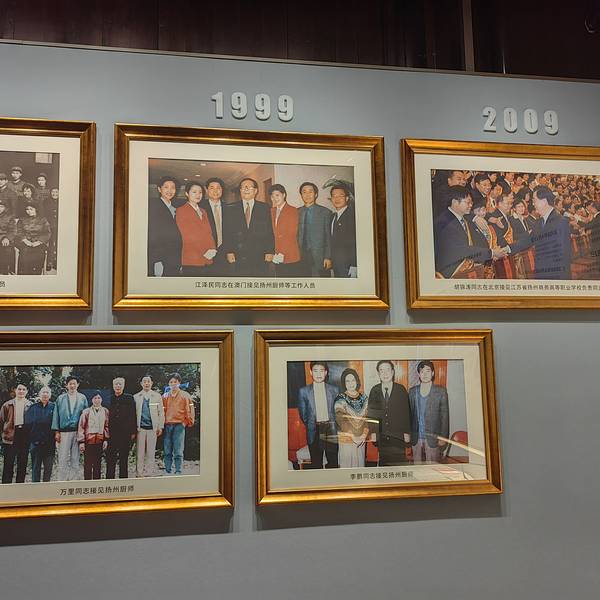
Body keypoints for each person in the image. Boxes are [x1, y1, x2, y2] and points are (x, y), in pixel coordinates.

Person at [434, 186, 505, 278]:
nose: (471, 205)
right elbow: (462, 250)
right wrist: (491, 253)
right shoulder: (445, 222)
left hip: (465, 266)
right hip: (451, 272)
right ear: (455, 202)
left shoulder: (462, 218)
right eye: (467, 202)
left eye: (471, 202)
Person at [366, 360, 411, 466]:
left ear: (393, 372)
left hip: (398, 436)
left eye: (388, 370)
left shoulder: (401, 390)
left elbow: (406, 412)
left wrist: (407, 432)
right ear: (378, 374)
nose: (385, 374)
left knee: (399, 465)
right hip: (382, 437)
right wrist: (373, 431)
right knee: (384, 465)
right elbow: (372, 414)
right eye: (381, 371)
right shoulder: (375, 390)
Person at [296, 361, 339, 469]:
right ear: (311, 372)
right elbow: (303, 415)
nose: (318, 374)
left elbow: (337, 412)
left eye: (321, 371)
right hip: (314, 431)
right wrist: (312, 424)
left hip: (330, 429)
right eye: (315, 371)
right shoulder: (304, 391)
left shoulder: (334, 390)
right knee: (316, 463)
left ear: (326, 372)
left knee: (333, 462)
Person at [232, 178, 274, 276]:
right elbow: (227, 231)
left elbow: (269, 231)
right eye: (243, 187)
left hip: (259, 254)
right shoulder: (231, 208)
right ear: (240, 190)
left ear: (255, 191)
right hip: (238, 255)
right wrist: (229, 251)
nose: (246, 189)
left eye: (249, 187)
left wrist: (269, 251)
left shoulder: (265, 208)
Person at [409, 361, 449, 464]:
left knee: (432, 466)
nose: (425, 374)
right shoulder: (412, 391)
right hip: (416, 436)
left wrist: (443, 437)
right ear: (419, 374)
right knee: (417, 465)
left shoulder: (441, 391)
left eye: (428, 371)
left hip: (432, 437)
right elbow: (409, 414)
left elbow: (444, 416)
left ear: (433, 373)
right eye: (422, 372)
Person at [175, 181, 217, 276]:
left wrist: (212, 249)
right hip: (192, 258)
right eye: (194, 192)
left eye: (200, 192)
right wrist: (205, 251)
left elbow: (209, 232)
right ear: (187, 193)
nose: (198, 195)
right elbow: (186, 236)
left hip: (208, 256)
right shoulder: (181, 210)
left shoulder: (203, 211)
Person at [530, 185, 572, 280]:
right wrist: (508, 249)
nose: (533, 204)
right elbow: (528, 240)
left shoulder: (561, 221)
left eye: (534, 200)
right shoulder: (538, 222)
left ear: (544, 201)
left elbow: (564, 255)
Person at [199, 177, 238, 276]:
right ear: (206, 190)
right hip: (205, 253)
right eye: (212, 188)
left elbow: (232, 232)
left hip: (225, 252)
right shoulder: (200, 207)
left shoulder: (230, 209)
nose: (215, 191)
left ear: (222, 190)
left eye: (218, 188)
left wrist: (230, 251)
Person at [52, 375, 88, 481]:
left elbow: (86, 416)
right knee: (62, 457)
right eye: (70, 383)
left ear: (78, 385)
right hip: (64, 432)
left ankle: (73, 480)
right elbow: (56, 415)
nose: (72, 386)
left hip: (78, 432)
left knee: (75, 458)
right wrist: (56, 431)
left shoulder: (82, 398)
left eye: (74, 383)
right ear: (66, 385)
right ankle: (61, 481)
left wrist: (84, 434)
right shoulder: (60, 398)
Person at [147, 175, 182, 276]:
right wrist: (157, 260)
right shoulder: (152, 205)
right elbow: (153, 234)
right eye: (166, 187)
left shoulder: (176, 208)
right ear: (159, 189)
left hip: (174, 256)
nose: (170, 190)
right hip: (160, 257)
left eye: (173, 188)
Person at [334, 368, 369, 468]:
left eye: (353, 380)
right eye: (347, 381)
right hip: (346, 438)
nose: (351, 383)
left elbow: (368, 418)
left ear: (357, 381)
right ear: (344, 383)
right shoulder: (340, 398)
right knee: (347, 467)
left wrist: (364, 435)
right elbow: (341, 419)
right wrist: (352, 436)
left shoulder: (364, 398)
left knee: (359, 466)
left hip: (361, 439)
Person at [296, 182, 332, 276]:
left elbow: (329, 236)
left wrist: (328, 257)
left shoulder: (325, 212)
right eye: (304, 192)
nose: (307, 195)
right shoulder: (296, 212)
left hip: (320, 255)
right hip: (301, 255)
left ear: (316, 194)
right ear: (301, 195)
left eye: (310, 192)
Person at [162, 373, 194, 475]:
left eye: (175, 382)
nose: (173, 384)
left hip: (179, 425)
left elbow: (190, 409)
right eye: (171, 382)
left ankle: (178, 470)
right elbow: (161, 411)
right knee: (167, 450)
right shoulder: (165, 396)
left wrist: (187, 422)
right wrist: (161, 424)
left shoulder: (185, 395)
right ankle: (167, 470)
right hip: (167, 425)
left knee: (178, 450)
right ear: (168, 383)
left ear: (179, 383)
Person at [0, 383, 32, 483]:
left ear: (26, 391)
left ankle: (20, 486)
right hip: (10, 435)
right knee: (8, 463)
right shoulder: (7, 404)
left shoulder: (30, 405)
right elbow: (1, 421)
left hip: (24, 435)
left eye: (23, 389)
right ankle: (6, 486)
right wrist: (4, 434)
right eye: (19, 389)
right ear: (15, 390)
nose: (21, 391)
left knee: (22, 462)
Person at [134, 375, 165, 477]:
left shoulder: (157, 396)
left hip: (153, 429)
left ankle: (149, 473)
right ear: (141, 384)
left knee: (151, 452)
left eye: (148, 381)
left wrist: (160, 426)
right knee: (140, 453)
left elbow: (161, 412)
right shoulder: (136, 397)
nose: (146, 383)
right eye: (144, 381)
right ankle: (139, 473)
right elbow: (133, 414)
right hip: (140, 429)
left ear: (151, 383)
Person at [105, 377, 136, 479]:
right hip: (112, 433)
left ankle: (123, 479)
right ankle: (109, 479)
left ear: (123, 385)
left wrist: (133, 431)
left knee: (124, 458)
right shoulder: (109, 398)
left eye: (120, 384)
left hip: (125, 433)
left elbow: (133, 415)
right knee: (110, 457)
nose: (118, 386)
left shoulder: (129, 398)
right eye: (116, 384)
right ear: (113, 386)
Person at [269, 183, 301, 277]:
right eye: (272, 196)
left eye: (277, 195)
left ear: (284, 195)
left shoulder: (293, 210)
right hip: (276, 254)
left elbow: (291, 234)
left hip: (289, 253)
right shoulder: (271, 211)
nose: (275, 198)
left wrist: (281, 253)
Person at [25, 385, 55, 482]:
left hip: (49, 444)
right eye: (43, 392)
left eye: (47, 392)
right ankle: (35, 488)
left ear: (50, 395)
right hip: (36, 444)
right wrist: (32, 439)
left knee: (48, 469)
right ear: (39, 394)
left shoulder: (54, 407)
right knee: (35, 468)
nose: (45, 394)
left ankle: (46, 488)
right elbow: (27, 425)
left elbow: (57, 424)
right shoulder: (33, 408)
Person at [78, 390, 109, 480]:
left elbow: (106, 426)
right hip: (89, 442)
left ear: (101, 399)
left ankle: (96, 483)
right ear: (92, 400)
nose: (97, 400)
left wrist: (106, 439)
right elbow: (81, 426)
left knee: (97, 465)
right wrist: (81, 442)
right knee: (88, 465)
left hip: (99, 441)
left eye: (99, 398)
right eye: (95, 398)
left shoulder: (105, 411)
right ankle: (87, 483)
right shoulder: (86, 412)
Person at [15, 200, 51, 274]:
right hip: (24, 242)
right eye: (27, 209)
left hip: (39, 242)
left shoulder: (43, 220)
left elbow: (47, 233)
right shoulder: (22, 220)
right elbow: (19, 232)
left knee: (39, 253)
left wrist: (39, 242)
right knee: (25, 252)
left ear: (36, 209)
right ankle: (24, 274)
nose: (28, 211)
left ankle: (36, 274)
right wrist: (25, 241)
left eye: (31, 209)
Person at [329, 184, 357, 277]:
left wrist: (354, 265)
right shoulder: (332, 216)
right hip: (336, 264)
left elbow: (355, 241)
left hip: (349, 266)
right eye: (334, 196)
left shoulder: (353, 216)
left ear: (347, 198)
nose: (337, 199)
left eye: (340, 195)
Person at [0, 201, 16, 274]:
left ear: (5, 208)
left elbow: (13, 230)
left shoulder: (10, 217)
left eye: (1, 206)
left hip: (6, 238)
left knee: (8, 249)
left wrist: (7, 238)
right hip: (2, 237)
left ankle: (7, 271)